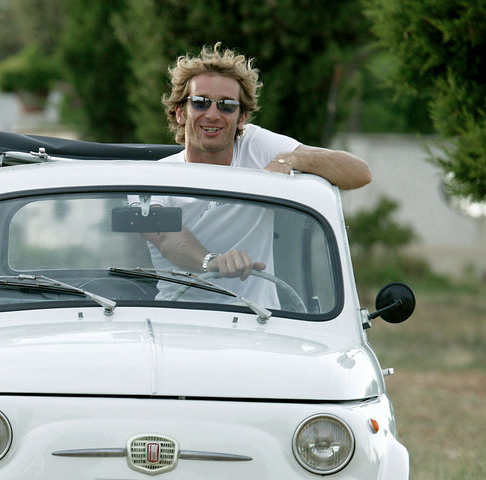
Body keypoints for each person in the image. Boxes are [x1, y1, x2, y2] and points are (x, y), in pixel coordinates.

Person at [144, 44, 371, 297]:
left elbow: (360, 173)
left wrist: (288, 160)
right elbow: (166, 238)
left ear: (241, 118)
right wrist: (212, 262)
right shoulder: (150, 179)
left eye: (227, 105)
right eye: (200, 102)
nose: (213, 114)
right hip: (178, 313)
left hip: (260, 316)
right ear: (180, 113)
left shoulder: (255, 144)